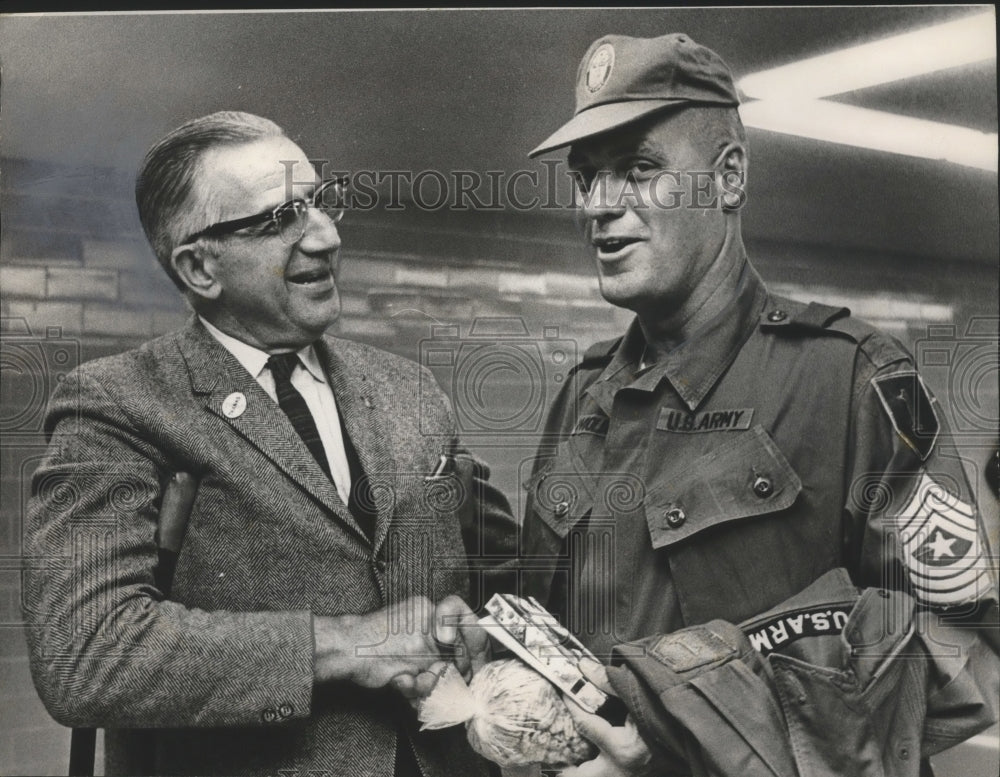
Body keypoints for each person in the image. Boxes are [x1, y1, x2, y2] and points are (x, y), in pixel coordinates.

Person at [518, 33, 999, 776]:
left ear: (730, 177)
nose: (599, 207)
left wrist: (681, 731)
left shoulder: (852, 379)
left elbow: (963, 641)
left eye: (639, 170)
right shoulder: (585, 396)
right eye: (586, 178)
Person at [22, 111, 517, 777]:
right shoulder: (118, 403)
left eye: (320, 201)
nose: (326, 236)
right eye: (281, 219)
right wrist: (348, 644)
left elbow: (502, 572)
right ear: (200, 267)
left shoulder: (411, 388)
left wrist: (481, 623)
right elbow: (84, 653)